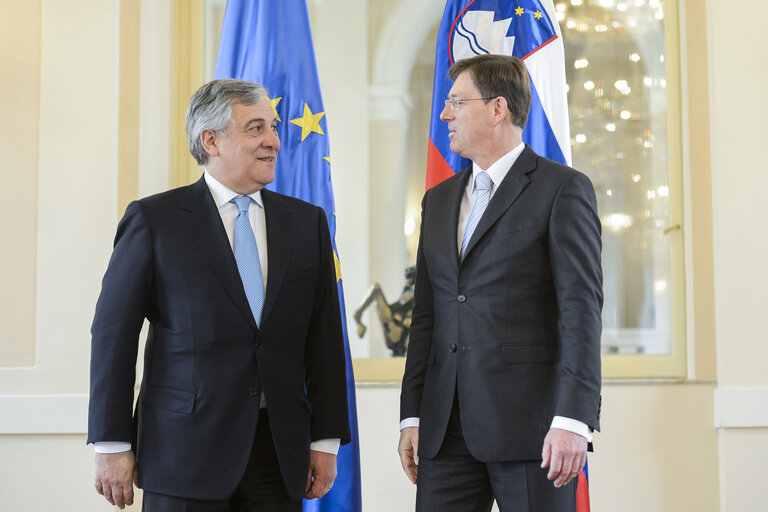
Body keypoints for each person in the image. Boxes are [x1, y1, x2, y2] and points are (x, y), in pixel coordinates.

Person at [88, 79, 350, 512]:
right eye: (255, 128)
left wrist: (325, 439)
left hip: (278, 455)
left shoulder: (307, 224)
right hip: (182, 452)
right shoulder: (154, 220)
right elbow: (113, 335)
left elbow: (323, 339)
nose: (273, 140)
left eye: (274, 126)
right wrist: (112, 443)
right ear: (211, 140)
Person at [398, 54, 603, 511]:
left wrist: (573, 418)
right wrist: (411, 412)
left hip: (535, 431)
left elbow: (580, 312)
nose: (444, 114)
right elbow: (427, 315)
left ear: (497, 109)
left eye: (456, 101)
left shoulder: (562, 189)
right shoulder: (438, 200)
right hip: (444, 430)